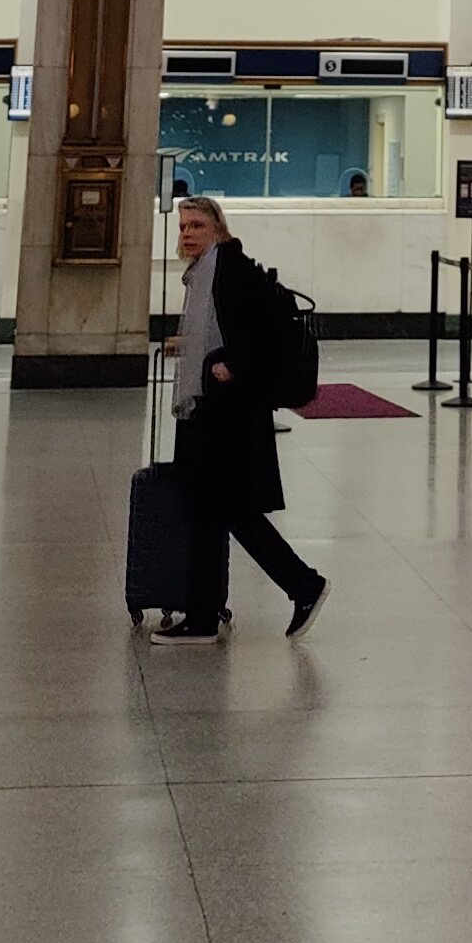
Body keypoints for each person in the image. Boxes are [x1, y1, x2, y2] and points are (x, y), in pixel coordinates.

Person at [150, 193, 329, 645]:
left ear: (218, 229)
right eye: (183, 227)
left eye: (197, 226)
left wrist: (234, 364)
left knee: (225, 510)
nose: (188, 234)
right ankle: (206, 614)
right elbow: (227, 326)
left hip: (227, 412)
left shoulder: (231, 269)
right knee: (215, 511)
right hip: (212, 407)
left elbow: (267, 331)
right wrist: (189, 347)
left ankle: (300, 585)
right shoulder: (205, 272)